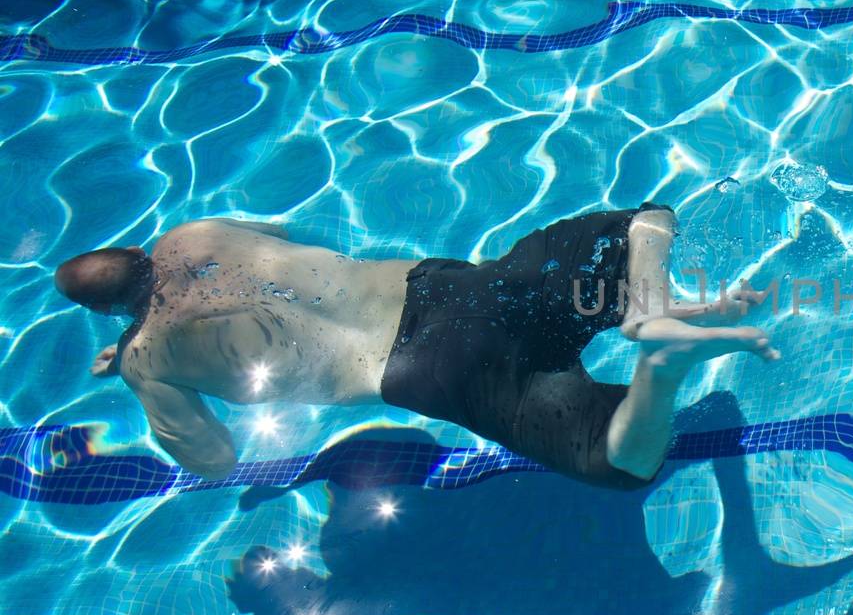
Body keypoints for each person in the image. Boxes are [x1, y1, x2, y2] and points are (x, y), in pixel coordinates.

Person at [51, 206, 776, 487]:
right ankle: (649, 305)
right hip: (452, 287)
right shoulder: (197, 234)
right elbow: (290, 230)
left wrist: (136, 368)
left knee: (621, 458)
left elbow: (214, 459)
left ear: (111, 312)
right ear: (135, 245)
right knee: (641, 221)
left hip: (428, 370)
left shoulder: (147, 361)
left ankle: (660, 362)